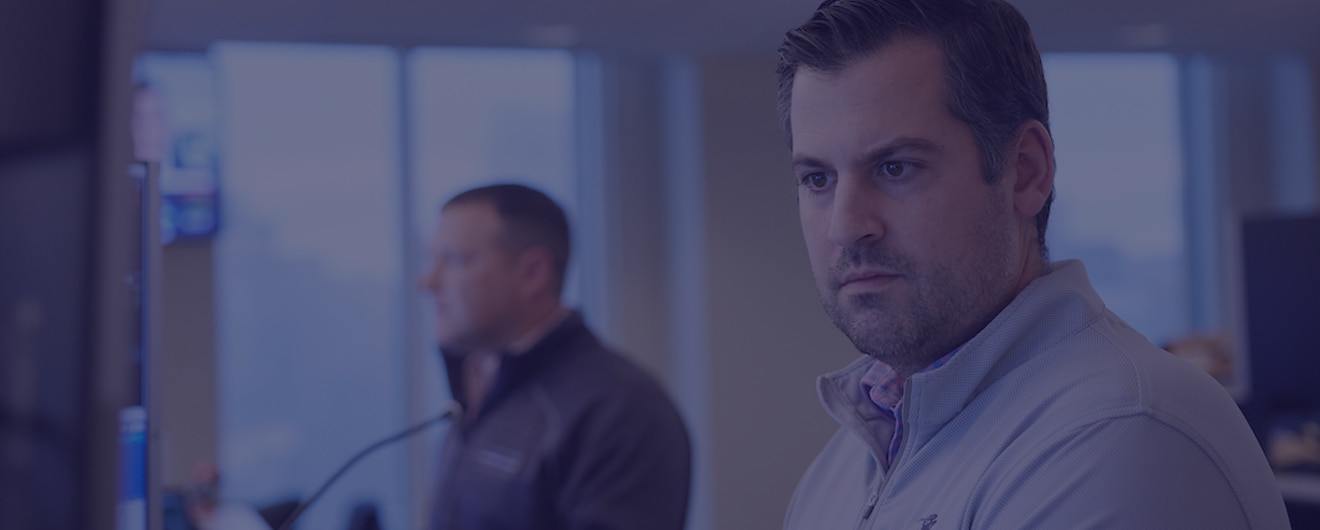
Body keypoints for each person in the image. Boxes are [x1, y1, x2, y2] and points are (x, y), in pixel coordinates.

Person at [774, 0, 1290, 528]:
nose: (844, 225)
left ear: (1024, 172)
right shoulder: (840, 468)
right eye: (818, 179)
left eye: (895, 167)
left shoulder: (1122, 435)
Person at [420, 183, 691, 530]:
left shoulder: (622, 411)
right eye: (432, 260)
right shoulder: (474, 387)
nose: (428, 282)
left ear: (533, 273)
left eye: (456, 260)